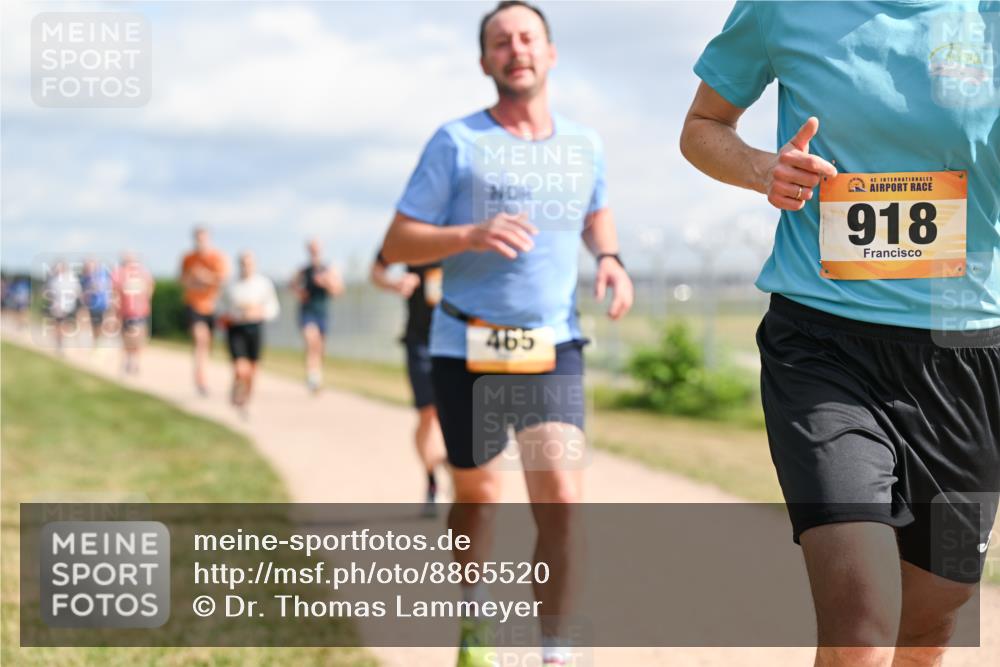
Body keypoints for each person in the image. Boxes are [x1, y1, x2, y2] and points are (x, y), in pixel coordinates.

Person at [681, 3, 999, 666]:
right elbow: (703, 127)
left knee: (929, 626)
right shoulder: (783, 7)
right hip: (823, 347)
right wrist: (763, 169)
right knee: (861, 630)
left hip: (965, 355)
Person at [378, 3, 633, 665]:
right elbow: (398, 241)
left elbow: (596, 210)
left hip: (553, 344)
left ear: (550, 53)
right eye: (500, 41)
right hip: (466, 343)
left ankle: (553, 649)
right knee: (479, 495)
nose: (515, 49)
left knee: (563, 500)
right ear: (485, 61)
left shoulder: (585, 144)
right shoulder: (456, 142)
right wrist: (468, 234)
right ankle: (474, 611)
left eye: (527, 38)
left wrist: (609, 256)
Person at [370, 253, 447, 517]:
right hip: (420, 341)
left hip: (459, 340)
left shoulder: (465, 226)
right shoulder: (415, 228)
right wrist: (394, 283)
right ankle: (431, 480)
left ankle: (454, 466)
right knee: (428, 413)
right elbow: (377, 271)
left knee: (456, 417)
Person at [219, 251, 280, 418]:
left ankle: (245, 400)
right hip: (236, 328)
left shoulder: (263, 284)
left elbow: (273, 308)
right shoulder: (230, 284)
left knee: (253, 370)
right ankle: (237, 389)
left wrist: (258, 312)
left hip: (255, 328)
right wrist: (233, 315)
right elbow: (221, 307)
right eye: (243, 264)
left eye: (249, 263)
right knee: (241, 368)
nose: (246, 267)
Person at [180, 226, 229, 395]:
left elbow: (222, 279)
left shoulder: (217, 257)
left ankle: (203, 376)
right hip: (194, 305)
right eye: (197, 239)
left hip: (211, 306)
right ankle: (200, 380)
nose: (200, 242)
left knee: (206, 344)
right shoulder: (188, 258)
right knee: (201, 339)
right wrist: (193, 280)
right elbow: (183, 280)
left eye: (203, 239)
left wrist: (204, 277)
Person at [290, 239, 344, 393]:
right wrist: (299, 292)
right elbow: (292, 285)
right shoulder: (303, 270)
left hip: (323, 312)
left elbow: (338, 290)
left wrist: (326, 283)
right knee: (311, 340)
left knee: (320, 347)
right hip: (307, 312)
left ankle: (317, 374)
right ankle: (312, 377)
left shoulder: (329, 269)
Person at [112, 252, 155, 375]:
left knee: (138, 338)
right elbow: (115, 292)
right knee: (127, 338)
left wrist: (146, 299)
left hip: (140, 311)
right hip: (125, 312)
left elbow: (150, 286)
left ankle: (135, 362)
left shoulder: (143, 273)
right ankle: (128, 360)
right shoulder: (119, 273)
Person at [43, 261, 81, 353]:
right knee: (58, 325)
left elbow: (77, 291)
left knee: (65, 326)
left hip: (68, 307)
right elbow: (48, 292)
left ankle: (62, 342)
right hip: (56, 307)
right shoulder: (53, 280)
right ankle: (59, 343)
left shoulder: (71, 279)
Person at [80, 258, 113, 347]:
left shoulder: (104, 274)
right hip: (93, 305)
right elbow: (83, 291)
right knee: (95, 324)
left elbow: (110, 286)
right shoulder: (87, 277)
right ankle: (96, 341)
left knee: (104, 323)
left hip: (103, 304)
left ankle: (99, 341)